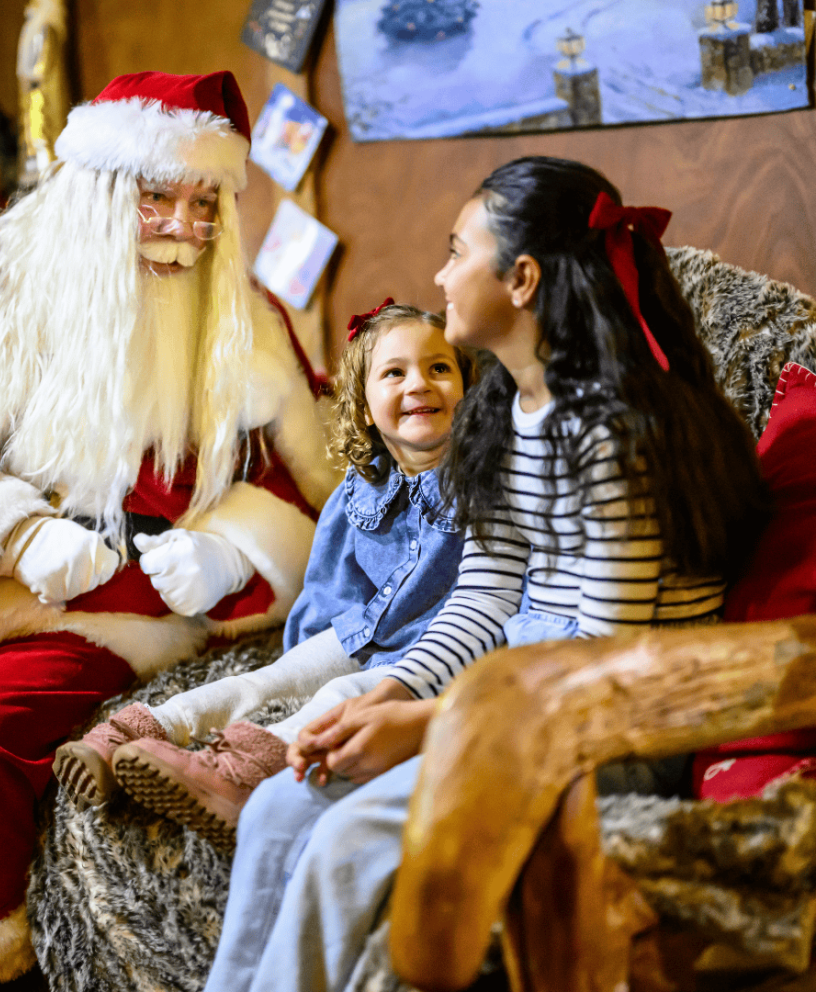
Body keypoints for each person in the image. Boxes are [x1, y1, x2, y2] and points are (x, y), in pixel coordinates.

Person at [198, 155, 769, 992]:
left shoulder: (610, 435)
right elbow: (488, 590)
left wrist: (433, 726)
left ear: (523, 279)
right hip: (518, 698)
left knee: (344, 846)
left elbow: (601, 662)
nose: (439, 274)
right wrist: (389, 694)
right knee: (283, 804)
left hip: (609, 729)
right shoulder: (503, 408)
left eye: (457, 250)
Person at [0, 71, 338, 991]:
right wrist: (11, 534)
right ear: (100, 189)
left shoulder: (246, 331)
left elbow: (315, 497)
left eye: (205, 202)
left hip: (105, 607)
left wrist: (229, 550)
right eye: (157, 198)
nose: (186, 231)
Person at [53, 301, 476, 845]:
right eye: (394, 372)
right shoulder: (360, 489)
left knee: (340, 693)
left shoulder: (483, 478)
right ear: (366, 408)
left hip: (438, 658)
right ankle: (140, 734)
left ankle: (240, 775)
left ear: (468, 392)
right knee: (265, 680)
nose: (419, 383)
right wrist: (301, 657)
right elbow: (330, 584)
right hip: (364, 632)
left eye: (439, 368)